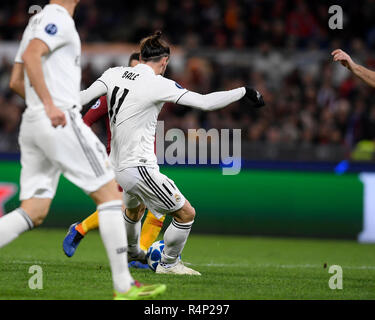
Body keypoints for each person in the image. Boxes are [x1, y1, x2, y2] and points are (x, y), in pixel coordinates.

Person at [4, 0, 165, 299]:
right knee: (110, 196)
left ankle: (124, 282)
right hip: (59, 120)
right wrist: (51, 105)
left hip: (34, 123)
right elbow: (32, 55)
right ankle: (124, 285)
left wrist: (40, 105)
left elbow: (16, 80)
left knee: (34, 211)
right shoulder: (59, 20)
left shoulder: (35, 21)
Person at [80, 31, 265, 275]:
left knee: (133, 210)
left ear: (142, 56)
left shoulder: (112, 74)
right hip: (139, 167)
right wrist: (244, 91)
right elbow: (206, 102)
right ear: (164, 62)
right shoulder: (159, 83)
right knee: (186, 214)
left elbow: (80, 98)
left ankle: (132, 251)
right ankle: (169, 263)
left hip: (117, 168)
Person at [63, 53, 166, 268]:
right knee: (127, 206)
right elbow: (86, 121)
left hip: (146, 160)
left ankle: (140, 254)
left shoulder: (154, 90)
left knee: (153, 208)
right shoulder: (111, 94)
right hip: (122, 161)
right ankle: (81, 230)